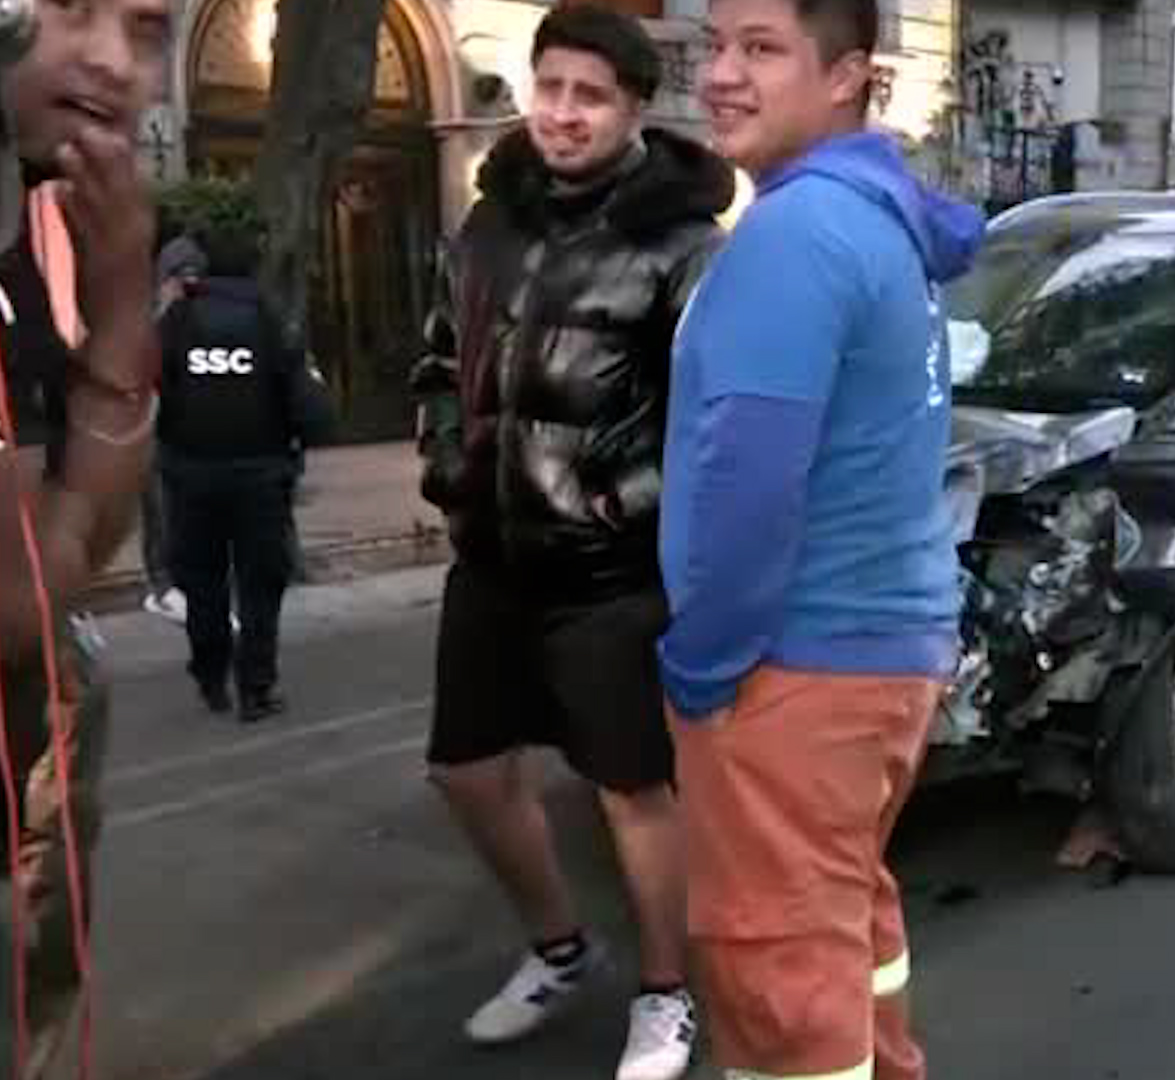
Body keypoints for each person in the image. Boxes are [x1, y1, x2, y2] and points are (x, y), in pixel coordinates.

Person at [661, 2, 983, 1078]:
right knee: (845, 924)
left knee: (778, 979)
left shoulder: (795, 237)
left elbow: (750, 485)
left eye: (760, 49)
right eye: (715, 45)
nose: (719, 75)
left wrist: (701, 666)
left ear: (846, 75)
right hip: (879, 654)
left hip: (797, 665)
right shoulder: (878, 220)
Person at [410, 7, 733, 1079]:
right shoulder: (490, 222)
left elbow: (709, 423)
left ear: (633, 108)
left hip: (608, 575)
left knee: (631, 792)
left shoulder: (682, 245)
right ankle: (560, 949)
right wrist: (448, 464)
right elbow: (438, 356)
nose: (561, 113)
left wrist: (610, 505)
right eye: (550, 87)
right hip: (492, 555)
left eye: (588, 95)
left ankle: (665, 991)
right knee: (464, 768)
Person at [0, 0, 176, 1075]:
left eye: (150, 23)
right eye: (71, 6)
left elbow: (87, 537)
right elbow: (24, 601)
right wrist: (119, 311)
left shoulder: (38, 219)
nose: (113, 60)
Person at [155, 227, 329, 723]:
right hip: (260, 475)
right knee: (259, 584)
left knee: (202, 580)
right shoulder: (270, 320)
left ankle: (211, 677)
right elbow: (306, 399)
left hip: (191, 475)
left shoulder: (178, 319)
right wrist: (306, 441)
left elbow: (152, 382)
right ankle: (256, 687)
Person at [139, 235, 205, 625]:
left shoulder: (196, 318)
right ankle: (164, 586)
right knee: (162, 507)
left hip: (189, 431)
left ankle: (182, 582)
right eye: (181, 278)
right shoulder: (152, 321)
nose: (187, 286)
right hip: (157, 430)